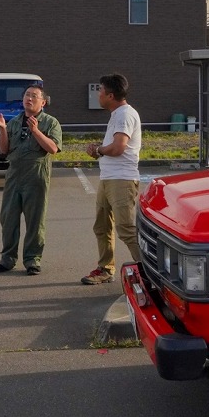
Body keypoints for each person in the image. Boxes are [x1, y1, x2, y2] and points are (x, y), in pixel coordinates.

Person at [0, 84, 62, 276]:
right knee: (8, 219)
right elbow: (4, 150)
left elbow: (53, 149)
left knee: (35, 220)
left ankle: (32, 260)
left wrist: (36, 131)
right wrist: (3, 129)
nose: (29, 98)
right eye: (27, 95)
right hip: (14, 176)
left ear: (43, 102)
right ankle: (7, 259)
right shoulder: (14, 121)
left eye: (34, 96)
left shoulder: (50, 122)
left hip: (36, 176)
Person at [80, 73, 142, 285]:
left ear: (111, 95)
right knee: (102, 226)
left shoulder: (125, 114)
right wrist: (100, 149)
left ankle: (150, 271)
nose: (98, 94)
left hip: (121, 179)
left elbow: (118, 147)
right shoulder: (117, 114)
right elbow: (115, 146)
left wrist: (98, 149)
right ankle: (105, 268)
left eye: (101, 91)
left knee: (126, 228)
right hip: (109, 178)